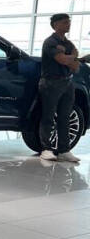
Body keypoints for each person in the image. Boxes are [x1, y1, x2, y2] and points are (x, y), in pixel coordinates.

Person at [39, 13, 81, 162]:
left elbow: (75, 64)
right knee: (48, 116)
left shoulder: (68, 43)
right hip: (51, 83)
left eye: (69, 22)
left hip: (67, 83)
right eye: (65, 22)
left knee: (65, 117)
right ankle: (46, 148)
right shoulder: (50, 42)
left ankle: (64, 149)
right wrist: (70, 58)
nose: (68, 25)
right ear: (56, 25)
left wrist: (69, 57)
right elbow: (62, 60)